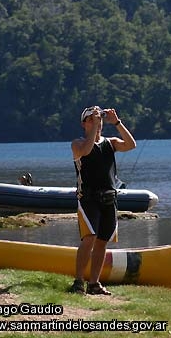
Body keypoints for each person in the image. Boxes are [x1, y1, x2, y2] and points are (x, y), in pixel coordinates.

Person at [70, 105, 136, 295]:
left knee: (101, 242)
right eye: (90, 118)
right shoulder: (77, 144)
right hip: (88, 199)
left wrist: (116, 122)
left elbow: (131, 145)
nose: (96, 121)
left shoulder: (111, 143)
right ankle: (78, 281)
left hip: (109, 199)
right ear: (84, 124)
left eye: (97, 118)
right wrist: (95, 127)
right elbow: (87, 150)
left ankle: (94, 283)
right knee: (89, 238)